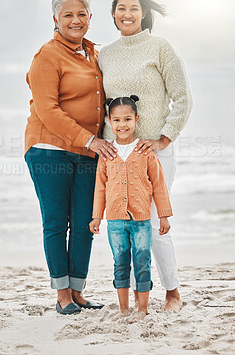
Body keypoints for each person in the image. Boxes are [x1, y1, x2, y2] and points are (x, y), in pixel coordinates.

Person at [98, 0, 193, 312]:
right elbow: (102, 106)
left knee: (151, 225)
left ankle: (172, 293)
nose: (127, 13)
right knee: (126, 228)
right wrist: (101, 142)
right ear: (113, 14)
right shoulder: (105, 54)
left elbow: (183, 97)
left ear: (143, 13)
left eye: (134, 8)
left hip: (154, 153)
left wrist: (165, 137)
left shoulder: (160, 48)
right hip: (117, 154)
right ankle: (139, 300)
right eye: (121, 7)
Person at [24, 0, 117, 315]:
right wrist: (91, 140)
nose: (75, 20)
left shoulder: (94, 54)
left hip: (88, 151)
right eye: (68, 15)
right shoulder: (46, 56)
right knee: (56, 222)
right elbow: (48, 111)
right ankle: (62, 294)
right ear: (55, 19)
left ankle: (77, 291)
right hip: (49, 148)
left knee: (85, 223)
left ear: (90, 18)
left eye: (81, 14)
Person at [90, 96, 173, 318]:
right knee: (120, 262)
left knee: (142, 261)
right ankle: (124, 309)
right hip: (115, 221)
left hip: (142, 220)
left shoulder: (145, 150)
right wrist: (97, 217)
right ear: (109, 121)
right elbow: (100, 187)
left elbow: (159, 185)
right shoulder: (107, 153)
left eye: (127, 119)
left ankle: (143, 308)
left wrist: (164, 216)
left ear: (137, 119)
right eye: (117, 120)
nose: (122, 125)